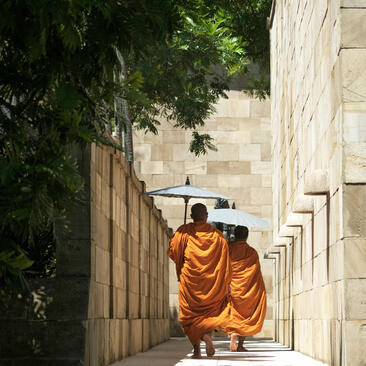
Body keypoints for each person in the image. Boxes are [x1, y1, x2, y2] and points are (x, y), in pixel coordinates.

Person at [168, 203, 232, 359]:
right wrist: (226, 284)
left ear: (191, 216)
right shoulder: (217, 236)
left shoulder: (183, 232)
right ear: (206, 216)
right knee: (209, 316)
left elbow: (172, 252)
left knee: (190, 317)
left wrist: (179, 238)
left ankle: (197, 349)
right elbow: (225, 263)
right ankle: (207, 336)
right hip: (212, 285)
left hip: (190, 283)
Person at [222, 225, 267, 352]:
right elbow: (255, 274)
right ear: (247, 236)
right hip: (247, 291)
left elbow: (223, 267)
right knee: (246, 315)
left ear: (235, 235)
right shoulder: (252, 252)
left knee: (232, 314)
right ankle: (240, 344)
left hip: (231, 288)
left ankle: (233, 333)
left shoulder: (228, 249)